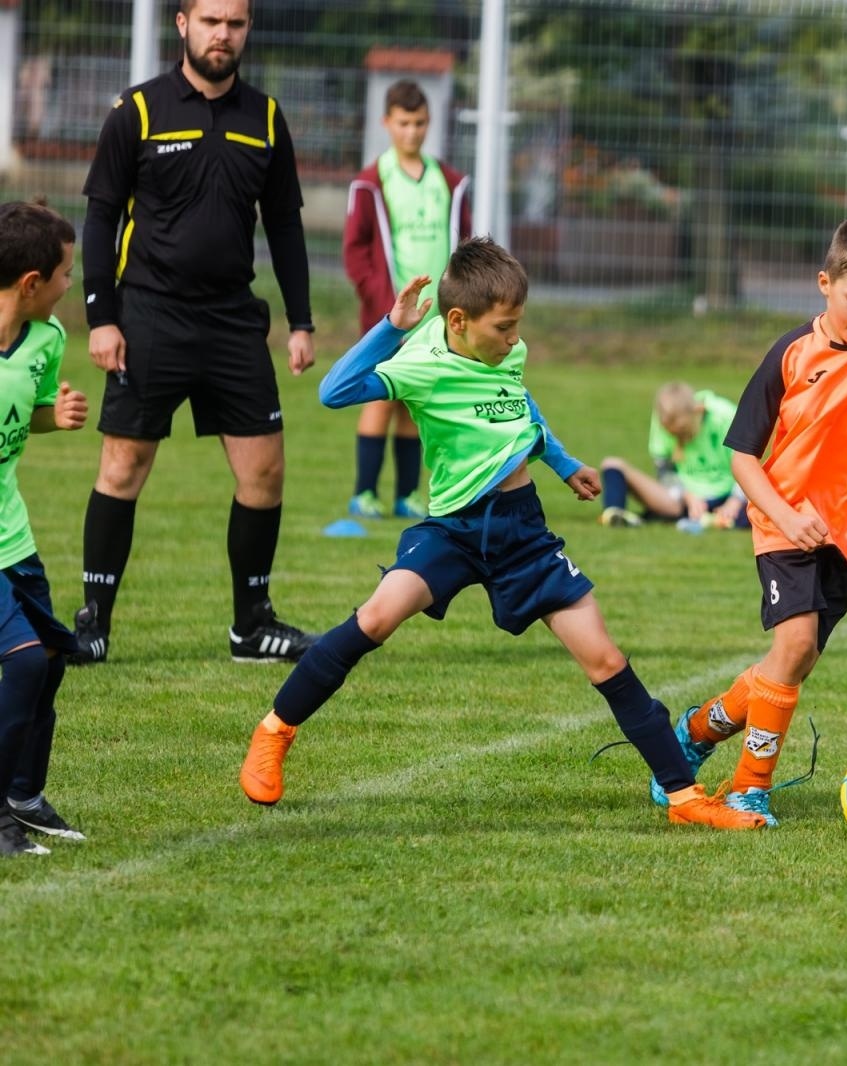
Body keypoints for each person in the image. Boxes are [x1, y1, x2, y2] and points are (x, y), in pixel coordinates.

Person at [237, 239, 762, 831]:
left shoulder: (507, 351)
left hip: (524, 531)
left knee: (605, 657)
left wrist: (563, 464)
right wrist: (390, 327)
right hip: (454, 530)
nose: (515, 340)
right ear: (457, 321)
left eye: (518, 327)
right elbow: (334, 391)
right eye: (504, 328)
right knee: (377, 617)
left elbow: (522, 406)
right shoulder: (420, 362)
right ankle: (275, 730)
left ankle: (683, 796)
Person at [644, 218, 847, 825]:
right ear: (825, 284)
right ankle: (750, 788)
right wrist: (783, 515)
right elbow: (741, 455)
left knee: (793, 665)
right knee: (793, 644)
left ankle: (695, 730)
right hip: (783, 523)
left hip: (846, 537)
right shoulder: (792, 353)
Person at [72, 0, 319, 663]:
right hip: (149, 314)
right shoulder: (140, 110)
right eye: (211, 21)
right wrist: (102, 317)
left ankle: (252, 625)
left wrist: (300, 321)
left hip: (234, 320)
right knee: (124, 466)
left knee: (264, 472)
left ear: (247, 29)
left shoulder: (265, 116)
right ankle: (94, 623)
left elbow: (286, 227)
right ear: (182, 23)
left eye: (235, 23)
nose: (223, 34)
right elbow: (100, 218)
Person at [339, 78, 471, 526]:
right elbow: (356, 250)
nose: (412, 132)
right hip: (391, 317)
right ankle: (364, 493)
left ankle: (408, 496)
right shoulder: (372, 181)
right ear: (387, 124)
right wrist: (382, 305)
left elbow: (464, 242)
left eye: (419, 123)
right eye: (403, 123)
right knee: (380, 399)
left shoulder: (447, 181)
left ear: (428, 123)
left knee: (417, 403)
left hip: (435, 319)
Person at [0, 202, 91, 854]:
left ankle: (23, 795)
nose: (70, 285)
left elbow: (25, 412)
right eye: (64, 274)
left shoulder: (47, 339)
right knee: (27, 662)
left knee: (53, 654)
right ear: (30, 281)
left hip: (15, 536)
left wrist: (51, 418)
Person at [596, 382, 748, 531]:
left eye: (684, 430)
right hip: (680, 502)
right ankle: (615, 515)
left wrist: (735, 500)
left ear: (697, 410)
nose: (680, 438)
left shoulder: (724, 416)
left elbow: (747, 465)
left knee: (759, 507)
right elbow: (665, 473)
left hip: (728, 493)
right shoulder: (661, 421)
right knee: (612, 464)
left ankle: (722, 519)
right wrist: (687, 496)